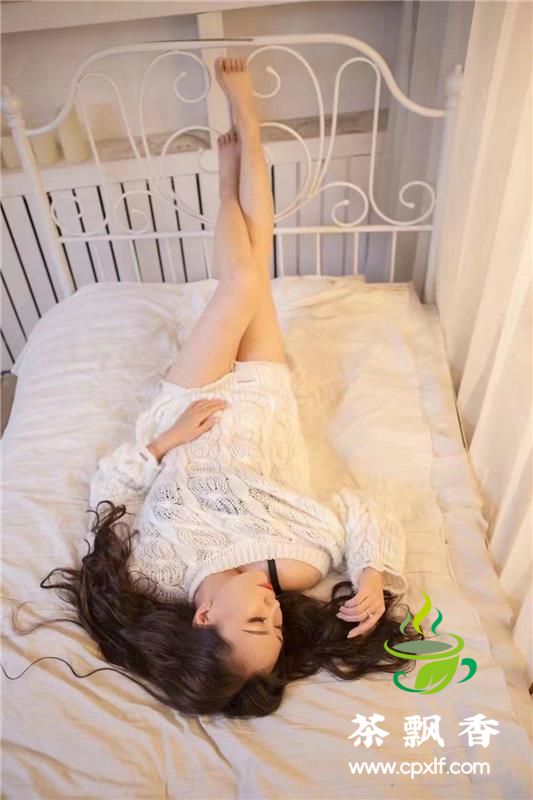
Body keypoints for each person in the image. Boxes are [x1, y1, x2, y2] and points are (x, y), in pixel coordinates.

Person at [31, 58, 422, 718]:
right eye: (279, 628)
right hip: (264, 402)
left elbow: (109, 492)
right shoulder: (296, 565)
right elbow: (359, 508)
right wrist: (371, 573)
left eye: (257, 623)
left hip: (191, 401)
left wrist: (166, 441)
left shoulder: (154, 572)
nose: (276, 613)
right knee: (254, 263)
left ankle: (230, 168)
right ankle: (248, 134)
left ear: (204, 616)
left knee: (242, 281)